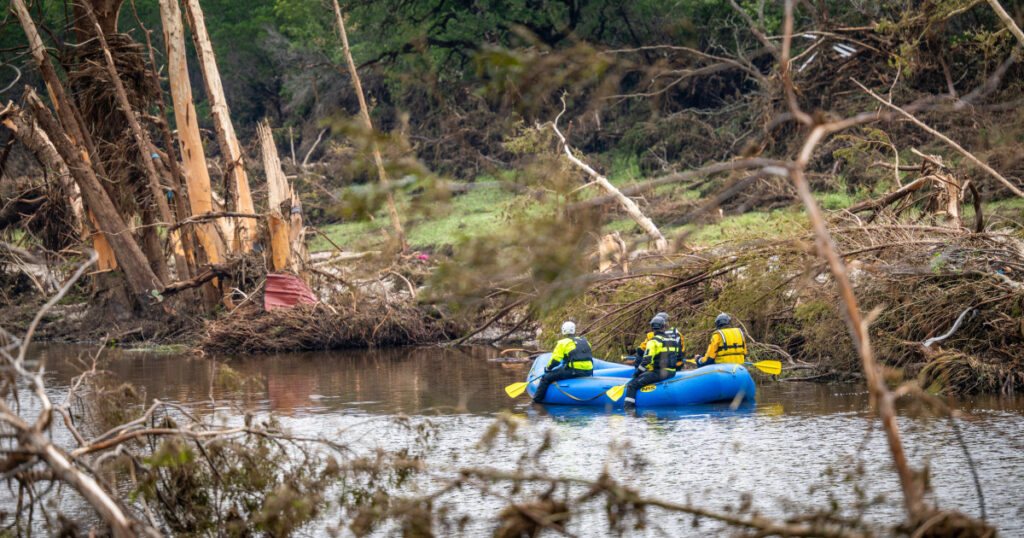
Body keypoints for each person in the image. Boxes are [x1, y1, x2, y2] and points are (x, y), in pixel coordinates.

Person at [624, 315, 682, 409]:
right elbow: (678, 356)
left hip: (659, 373)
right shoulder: (672, 340)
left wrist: (637, 373)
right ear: (663, 327)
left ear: (652, 328)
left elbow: (646, 361)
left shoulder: (653, 341)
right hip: (672, 372)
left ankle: (629, 411)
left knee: (632, 385)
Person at [533, 321, 594, 403]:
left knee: (545, 378)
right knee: (564, 368)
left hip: (574, 371)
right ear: (575, 330)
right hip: (588, 371)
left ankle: (536, 401)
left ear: (563, 331)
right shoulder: (585, 341)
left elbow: (555, 361)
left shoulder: (562, 343)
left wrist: (548, 368)